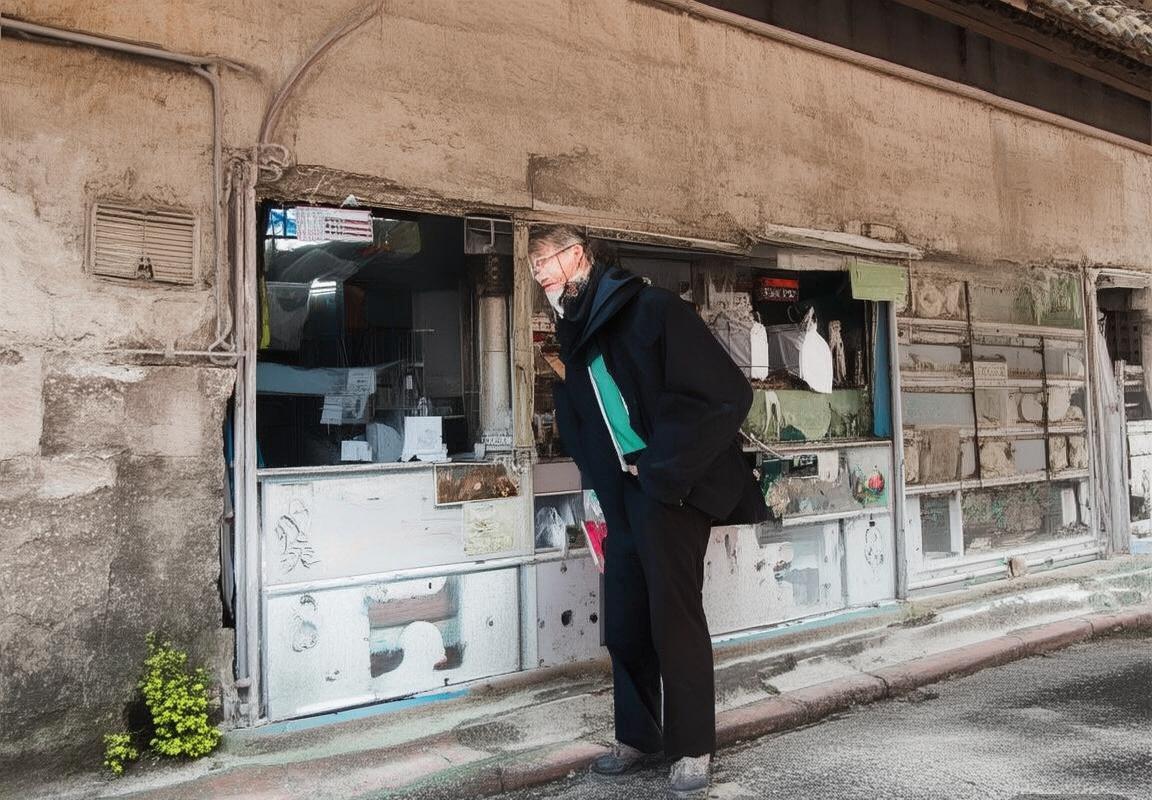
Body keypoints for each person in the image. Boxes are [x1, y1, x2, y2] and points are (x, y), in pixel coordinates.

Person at [529, 225, 767, 797]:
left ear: (579, 256)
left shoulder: (651, 309)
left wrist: (660, 467)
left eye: (548, 260)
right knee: (626, 616)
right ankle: (639, 737)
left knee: (673, 616)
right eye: (534, 266)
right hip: (626, 498)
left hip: (674, 489)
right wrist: (606, 491)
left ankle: (692, 747)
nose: (540, 274)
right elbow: (593, 424)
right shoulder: (576, 332)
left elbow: (727, 394)